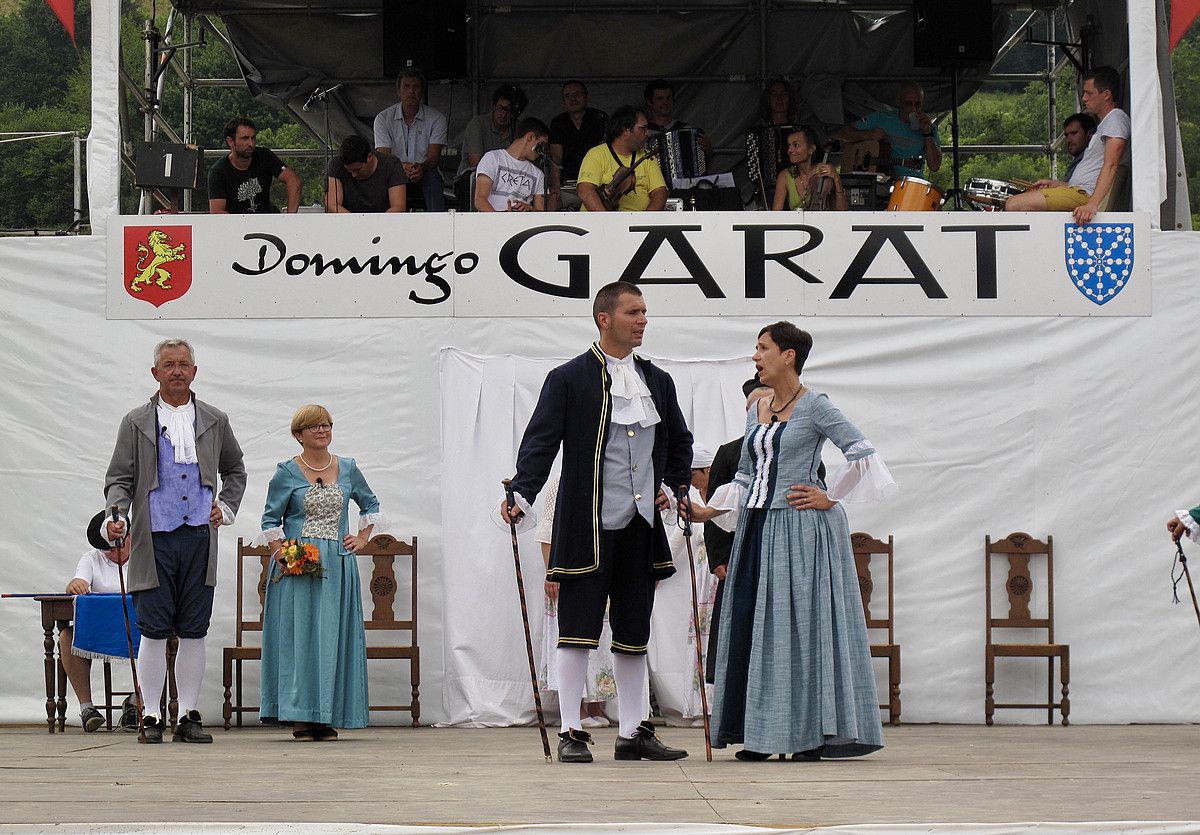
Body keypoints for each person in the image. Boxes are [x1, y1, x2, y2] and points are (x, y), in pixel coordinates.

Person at [499, 281, 693, 763]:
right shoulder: (569, 378)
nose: (643, 320)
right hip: (586, 524)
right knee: (577, 630)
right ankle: (570, 730)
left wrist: (672, 487)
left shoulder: (658, 381)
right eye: (633, 312)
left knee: (633, 631)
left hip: (640, 526)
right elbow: (540, 442)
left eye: (645, 311)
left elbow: (679, 444)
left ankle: (632, 732)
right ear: (604, 318)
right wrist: (521, 493)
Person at [699, 322, 895, 760]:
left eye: (762, 348)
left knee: (800, 630)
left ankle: (808, 735)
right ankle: (763, 736)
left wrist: (831, 496)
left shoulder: (815, 407)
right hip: (757, 531)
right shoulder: (757, 410)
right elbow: (747, 476)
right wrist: (708, 511)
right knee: (757, 628)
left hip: (802, 531)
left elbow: (862, 453)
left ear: (788, 355)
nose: (755, 356)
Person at [103, 338, 247, 744]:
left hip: (200, 538)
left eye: (184, 364)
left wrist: (227, 507)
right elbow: (119, 479)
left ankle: (187, 713)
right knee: (153, 629)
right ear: (155, 373)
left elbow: (235, 470)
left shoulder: (215, 419)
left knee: (194, 629)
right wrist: (118, 513)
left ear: (195, 371)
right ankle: (150, 713)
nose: (177, 371)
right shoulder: (135, 421)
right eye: (169, 365)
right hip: (155, 540)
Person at [257, 405, 385, 741]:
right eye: (314, 426)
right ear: (299, 434)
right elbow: (270, 521)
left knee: (330, 636)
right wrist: (283, 555)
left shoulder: (348, 468)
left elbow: (371, 504)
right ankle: (300, 715)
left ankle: (326, 713)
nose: (322, 430)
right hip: (298, 564)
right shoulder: (286, 472)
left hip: (337, 564)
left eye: (326, 424)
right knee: (300, 638)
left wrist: (361, 538)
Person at [537, 474, 615, 730]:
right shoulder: (561, 479)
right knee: (572, 638)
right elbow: (547, 529)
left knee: (601, 639)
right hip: (568, 568)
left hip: (598, 566)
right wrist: (552, 571)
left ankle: (595, 703)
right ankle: (576, 709)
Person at [647, 445, 717, 726]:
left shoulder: (723, 495)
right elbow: (678, 536)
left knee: (717, 636)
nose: (690, 480)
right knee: (701, 636)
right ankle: (703, 705)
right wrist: (658, 570)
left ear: (707, 470)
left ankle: (719, 705)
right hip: (702, 579)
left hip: (718, 573)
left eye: (693, 474)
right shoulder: (691, 498)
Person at [1004, 67, 1129, 224]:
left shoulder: (1116, 119)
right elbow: (1092, 175)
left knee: (1014, 204)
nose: (1083, 98)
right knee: (1017, 202)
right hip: (1079, 191)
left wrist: (1092, 204)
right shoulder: (1106, 123)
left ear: (1107, 95)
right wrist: (1057, 185)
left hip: (1084, 195)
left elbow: (1111, 164)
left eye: (1089, 93)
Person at [62, 512, 137, 733]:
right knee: (66, 637)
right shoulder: (91, 559)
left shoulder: (146, 556)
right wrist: (75, 584)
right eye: (108, 549)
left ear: (130, 534)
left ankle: (136, 701)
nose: (114, 553)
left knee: (164, 636)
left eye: (118, 546)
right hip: (102, 629)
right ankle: (87, 708)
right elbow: (79, 581)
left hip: (139, 629)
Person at [374, 67, 448, 211]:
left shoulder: (437, 118)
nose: (411, 91)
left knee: (433, 177)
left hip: (424, 174)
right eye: (406, 86)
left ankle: (438, 226)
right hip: (394, 174)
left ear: (422, 91)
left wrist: (421, 168)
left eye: (416, 87)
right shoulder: (383, 118)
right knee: (381, 179)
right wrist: (402, 167)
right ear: (399, 91)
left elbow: (434, 157)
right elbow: (383, 155)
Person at [838, 81, 942, 177]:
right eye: (908, 103)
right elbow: (843, 133)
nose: (913, 109)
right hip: (878, 182)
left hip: (911, 185)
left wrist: (927, 134)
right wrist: (868, 134)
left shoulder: (929, 128)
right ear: (898, 102)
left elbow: (934, 166)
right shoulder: (881, 118)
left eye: (918, 104)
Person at [576, 106, 668, 213]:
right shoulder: (596, 154)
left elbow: (660, 191)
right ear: (626, 130)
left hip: (638, 223)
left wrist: (645, 221)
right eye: (642, 128)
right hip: (601, 223)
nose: (647, 133)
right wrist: (606, 221)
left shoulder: (647, 156)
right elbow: (585, 191)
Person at [207, 117, 301, 214]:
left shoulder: (264, 155)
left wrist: (290, 219)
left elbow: (293, 180)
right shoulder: (218, 171)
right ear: (230, 141)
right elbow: (217, 212)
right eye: (245, 138)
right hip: (237, 226)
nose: (251, 143)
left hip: (268, 223)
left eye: (253, 138)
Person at [548, 81, 608, 211]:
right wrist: (556, 185)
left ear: (587, 97)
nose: (572, 99)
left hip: (596, 184)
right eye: (568, 96)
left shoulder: (599, 118)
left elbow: (607, 152)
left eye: (576, 94)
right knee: (553, 202)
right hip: (567, 185)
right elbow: (556, 157)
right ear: (563, 101)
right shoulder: (558, 122)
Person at [473, 117, 549, 213]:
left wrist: (530, 209)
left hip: (524, 225)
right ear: (530, 137)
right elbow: (480, 200)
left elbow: (541, 214)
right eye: (541, 144)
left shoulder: (538, 174)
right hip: (492, 223)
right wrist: (503, 221)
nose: (542, 150)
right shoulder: (493, 158)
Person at [458, 83, 529, 181]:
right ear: (493, 106)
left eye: (508, 111)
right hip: (475, 180)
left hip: (507, 181)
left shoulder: (519, 127)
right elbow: (476, 163)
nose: (503, 114)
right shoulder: (478, 124)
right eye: (500, 108)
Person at [771, 126, 848, 211]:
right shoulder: (784, 176)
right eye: (789, 145)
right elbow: (776, 214)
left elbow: (843, 211)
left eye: (796, 145)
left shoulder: (825, 169)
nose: (789, 150)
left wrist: (836, 178)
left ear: (811, 149)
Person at [325, 134, 408, 213]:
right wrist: (354, 222)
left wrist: (375, 225)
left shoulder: (391, 164)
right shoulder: (335, 164)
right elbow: (332, 205)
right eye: (349, 170)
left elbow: (398, 207)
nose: (353, 175)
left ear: (369, 157)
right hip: (348, 223)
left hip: (384, 223)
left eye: (358, 169)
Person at [1061, 112, 1098, 182]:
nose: (1068, 140)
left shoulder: (1093, 163)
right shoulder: (1078, 162)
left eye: (1074, 133)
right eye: (1066, 135)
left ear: (1090, 134)